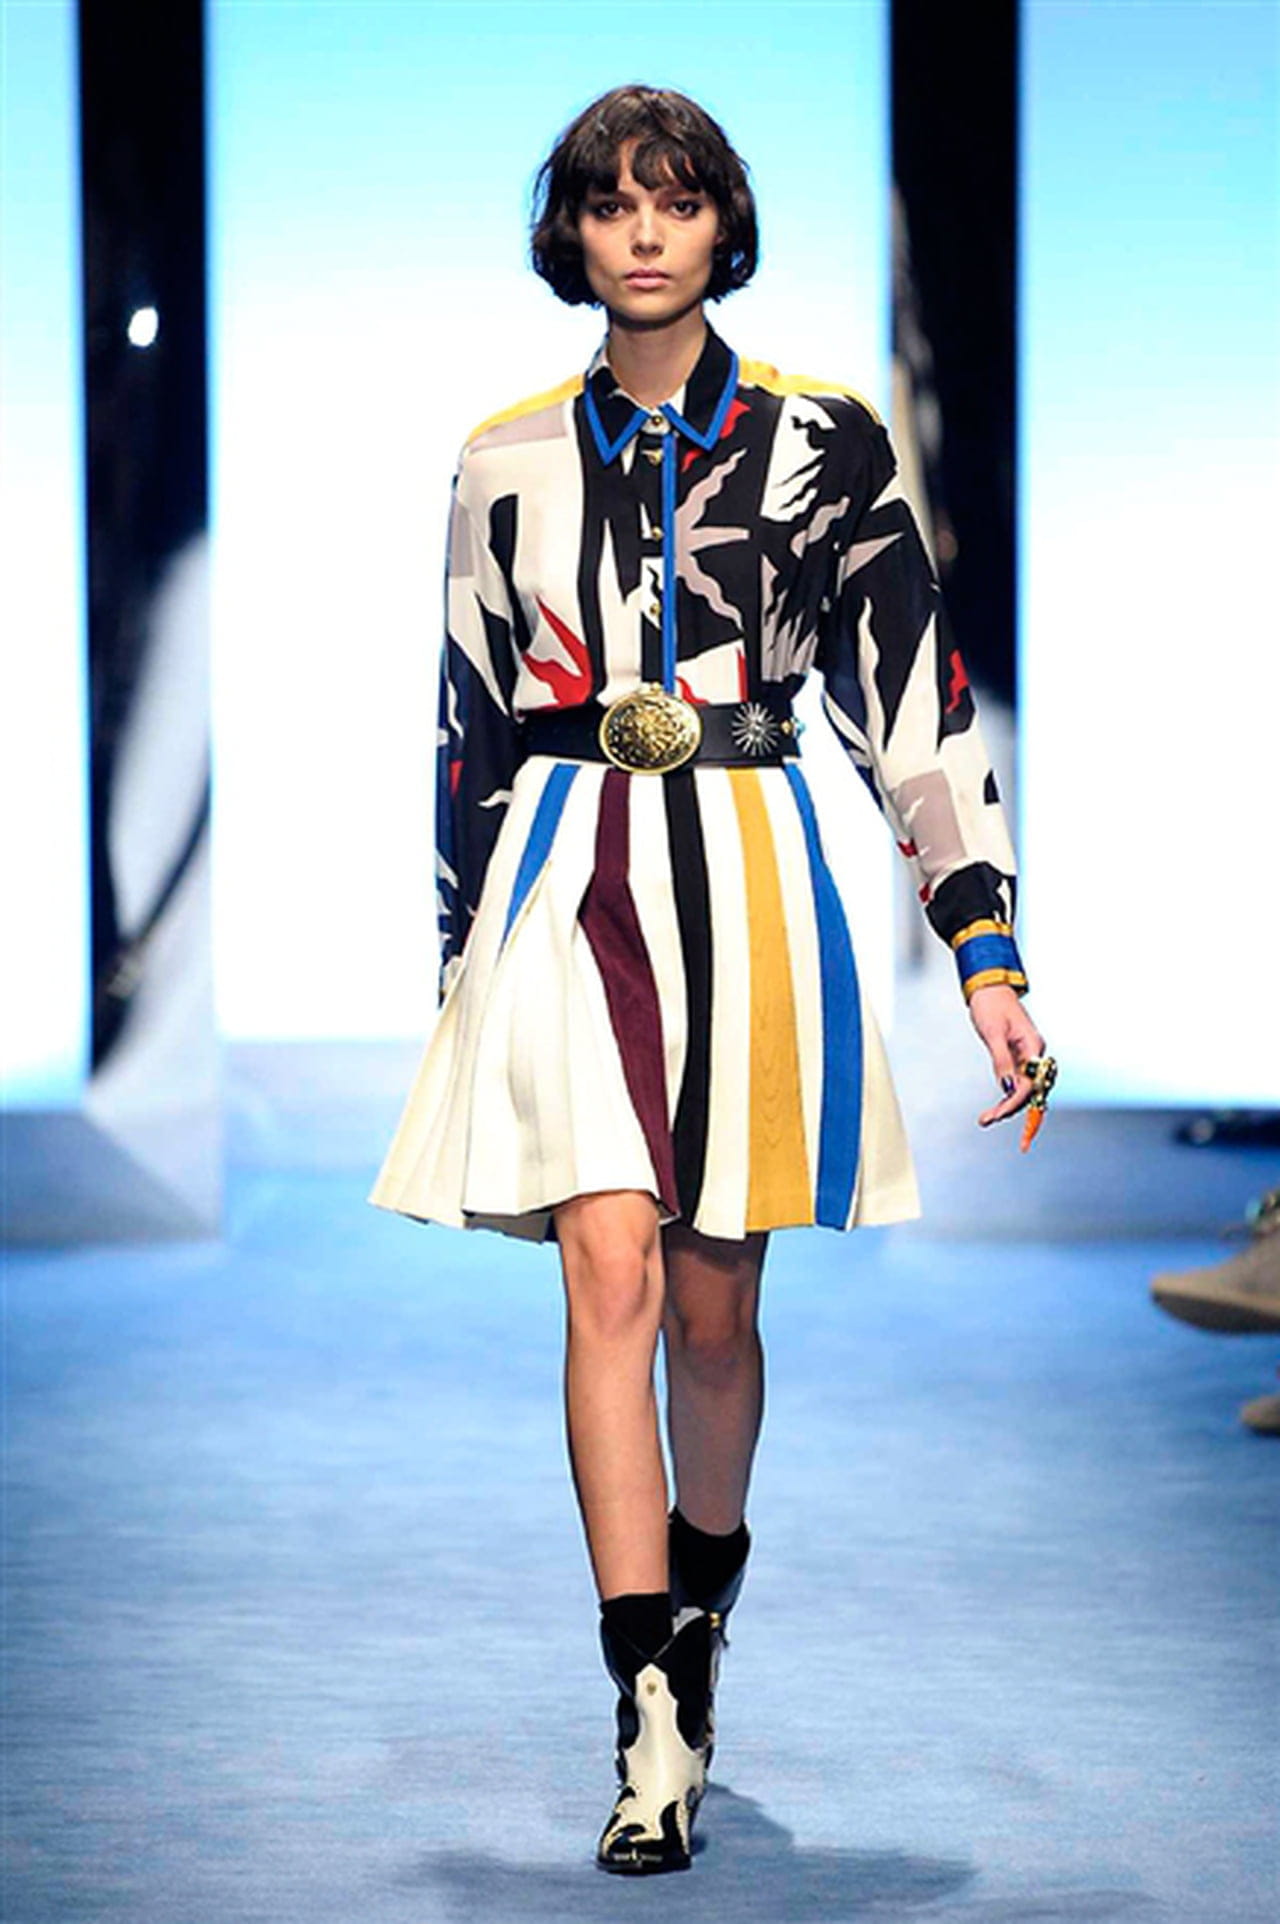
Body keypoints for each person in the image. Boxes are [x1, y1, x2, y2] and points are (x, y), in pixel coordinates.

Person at [371, 85, 1046, 1875]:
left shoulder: (828, 441)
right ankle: (647, 1705)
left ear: (722, 225)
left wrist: (984, 948)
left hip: (749, 867)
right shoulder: (504, 456)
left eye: (675, 202)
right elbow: (466, 722)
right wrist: (458, 957)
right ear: (574, 237)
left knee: (713, 1305)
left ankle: (703, 1611)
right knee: (605, 1264)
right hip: (564, 873)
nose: (646, 231)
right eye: (613, 204)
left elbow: (912, 701)